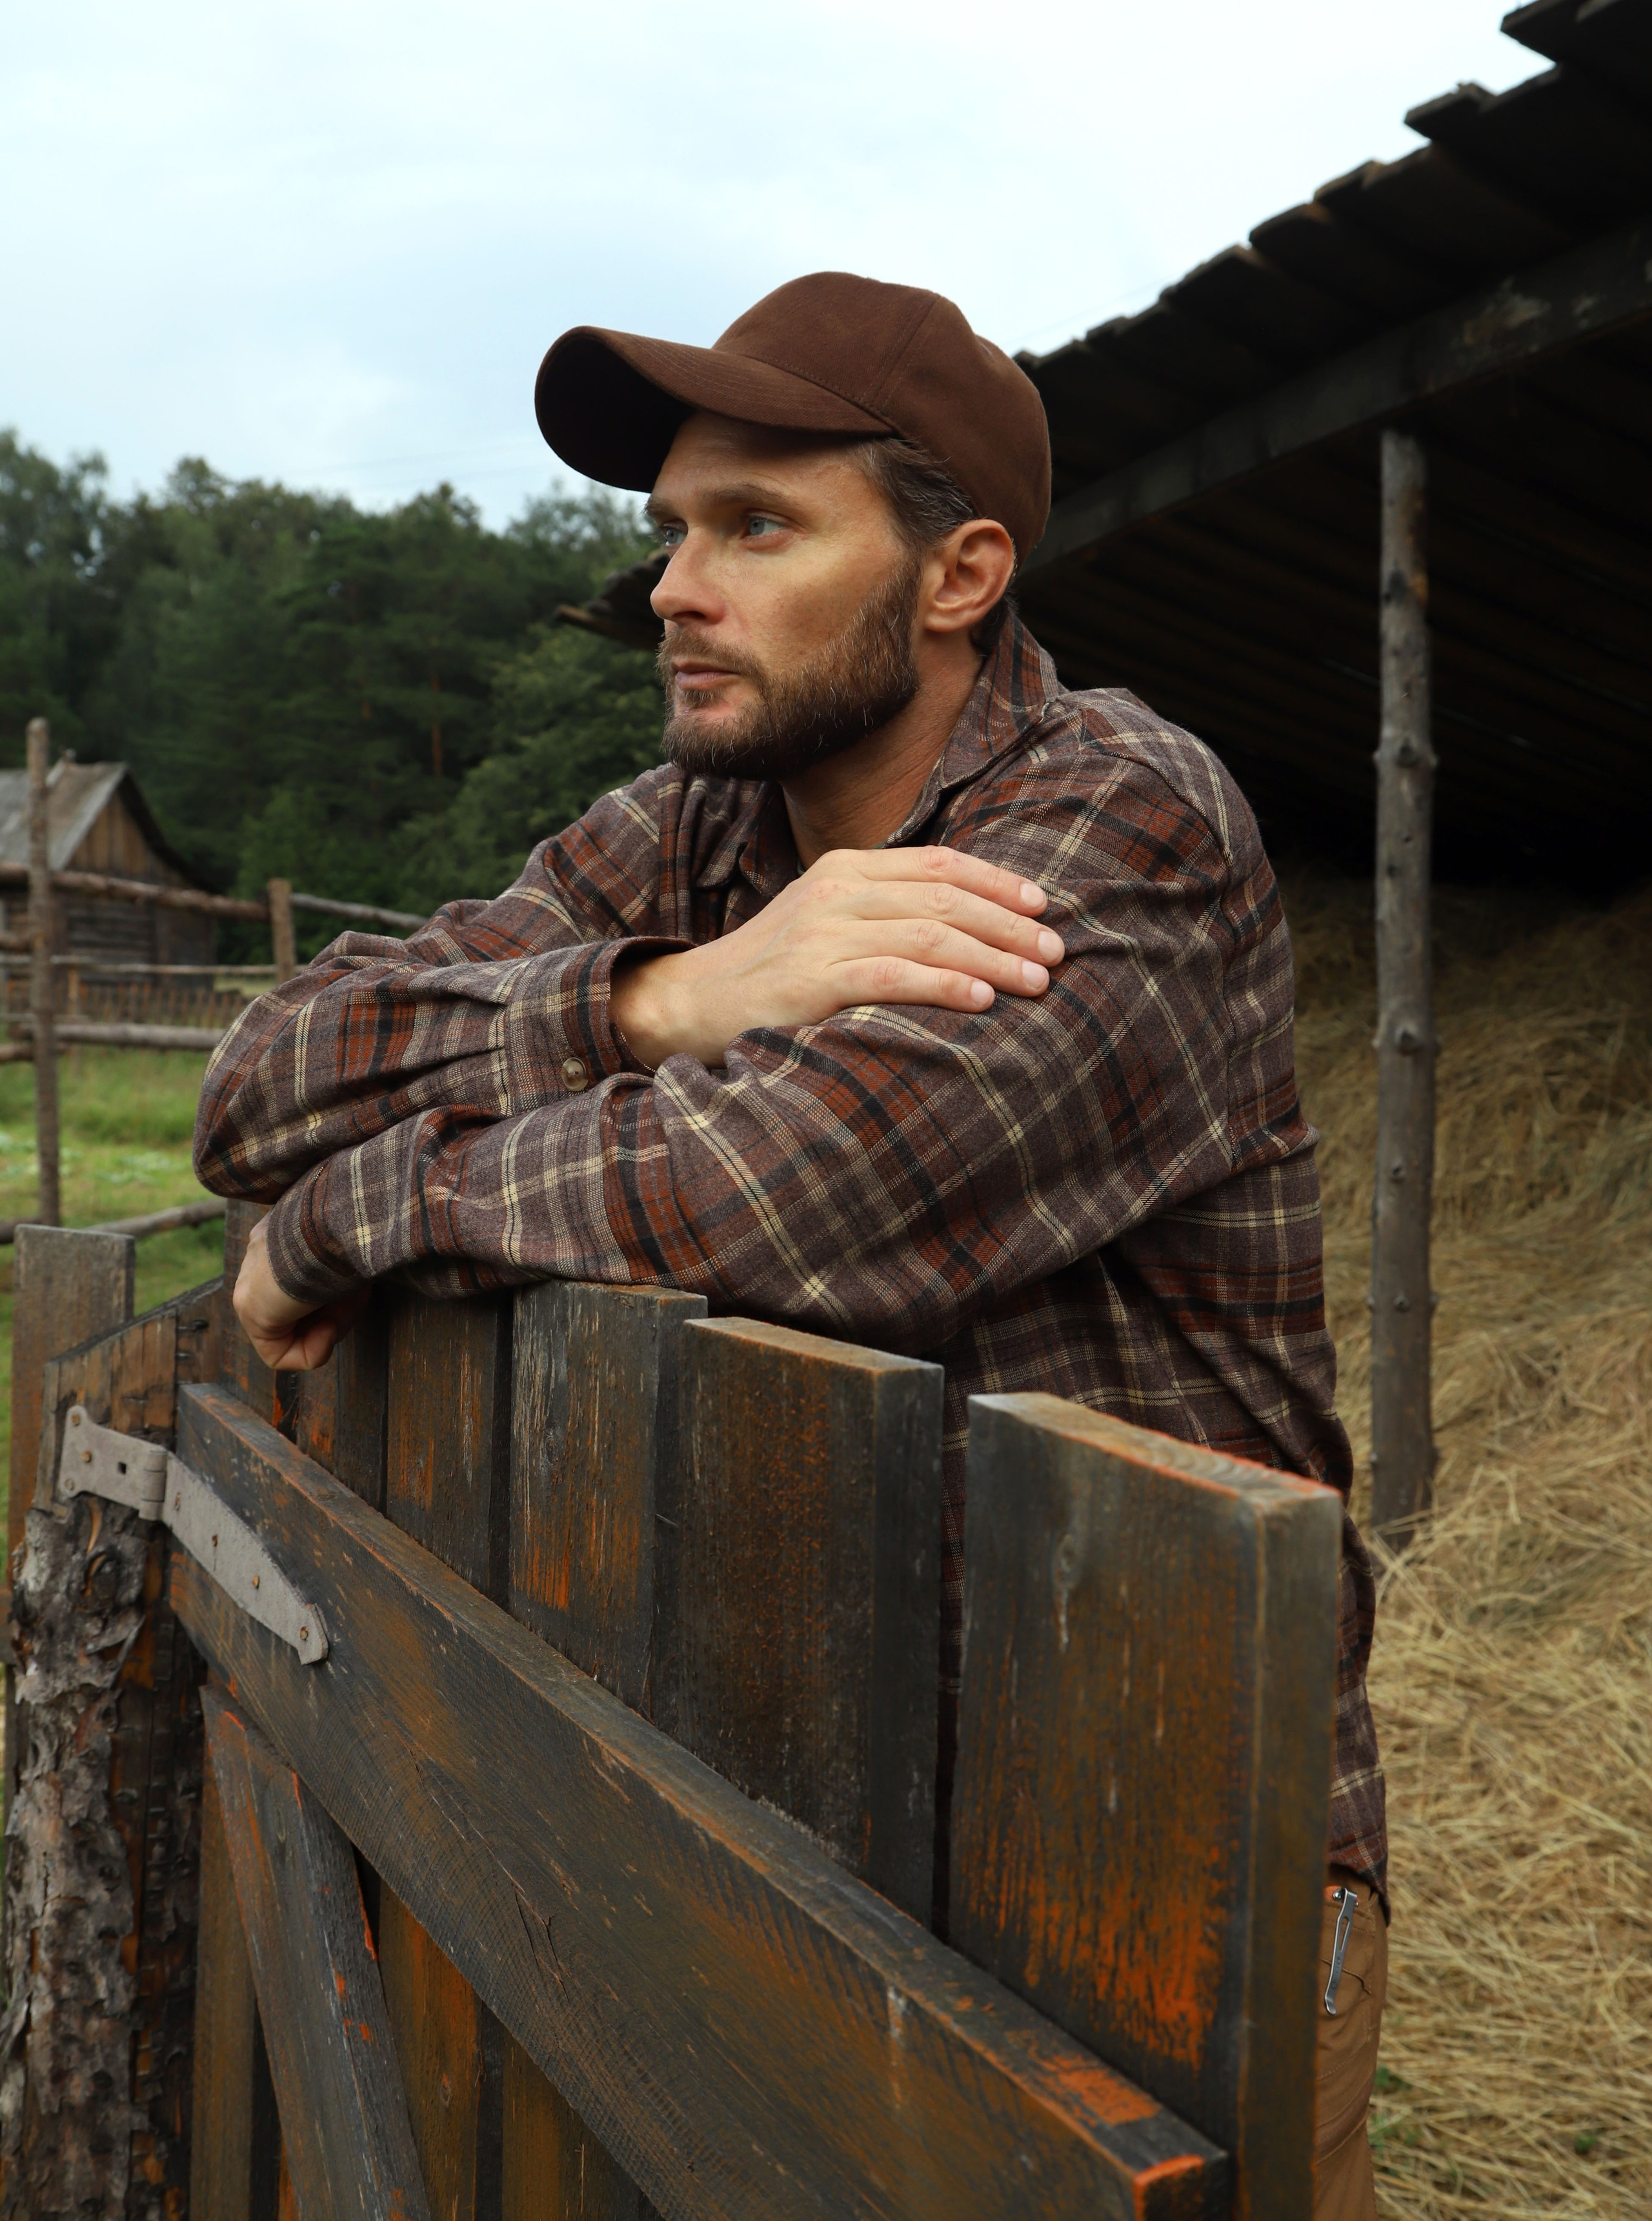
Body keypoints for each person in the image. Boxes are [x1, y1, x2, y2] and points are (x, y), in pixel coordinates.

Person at [196, 271, 1387, 2217]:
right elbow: (256, 1080)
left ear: (958, 572)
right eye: (671, 528)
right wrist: (662, 997)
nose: (676, 583)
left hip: (1154, 1848)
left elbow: (760, 1203)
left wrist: (348, 1217)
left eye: (757, 525)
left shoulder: (1117, 819)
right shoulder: (692, 841)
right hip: (806, 1815)